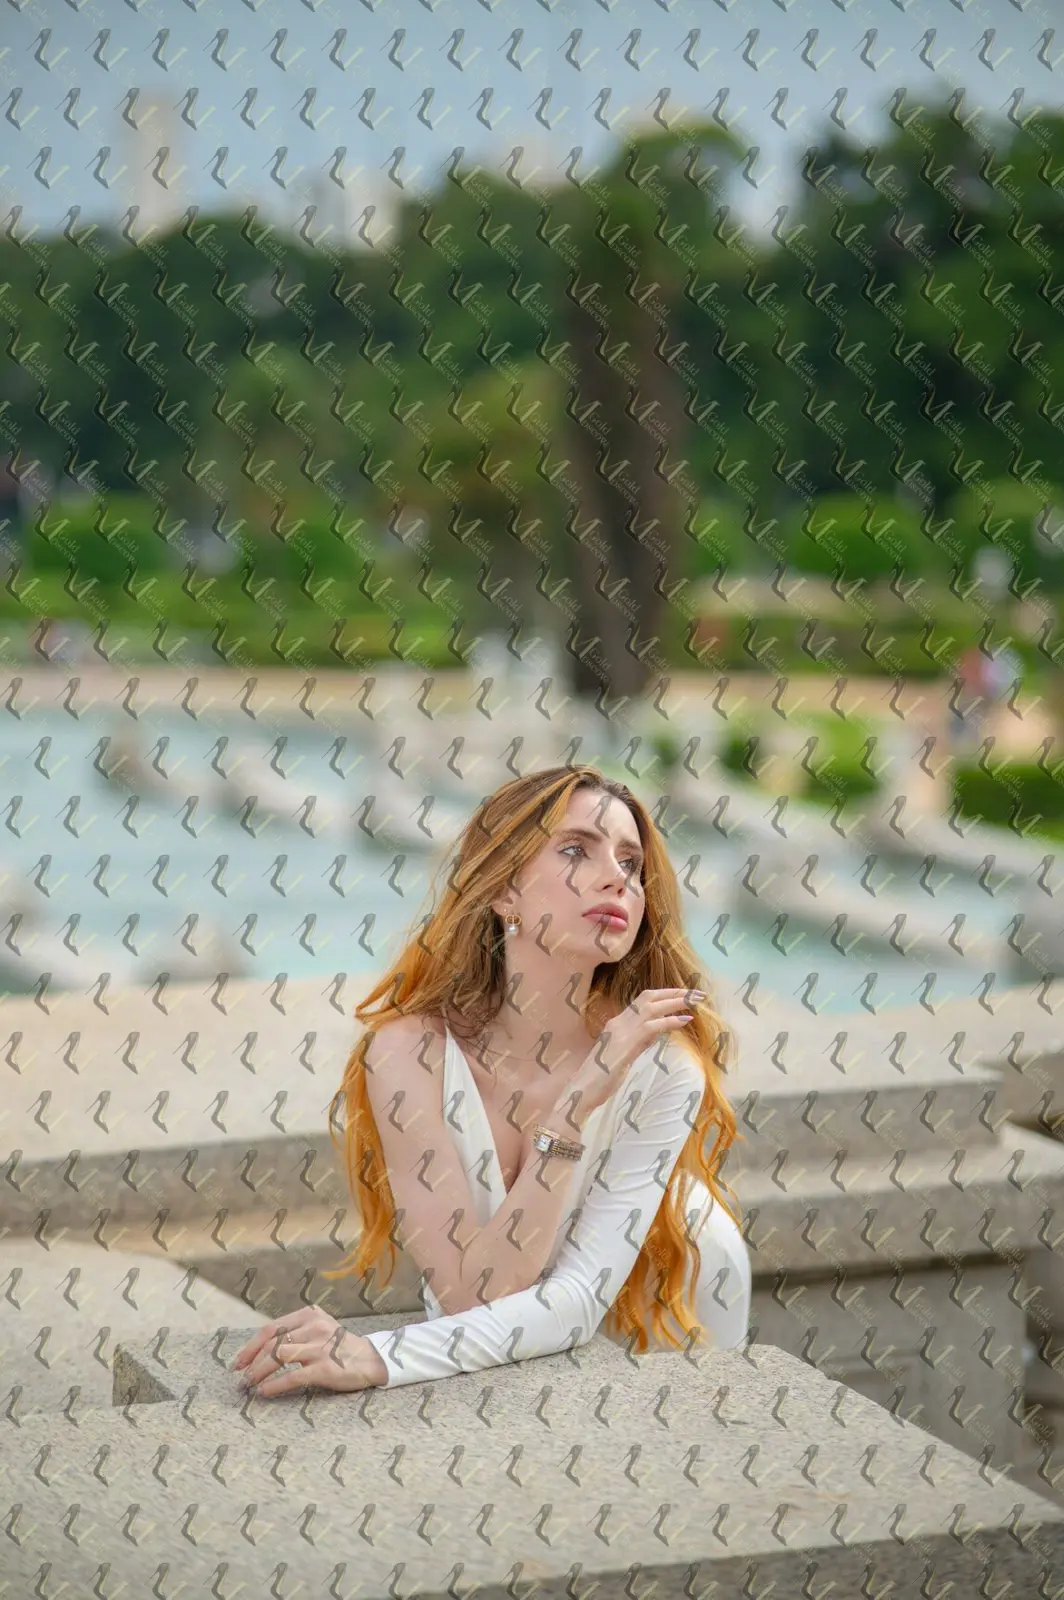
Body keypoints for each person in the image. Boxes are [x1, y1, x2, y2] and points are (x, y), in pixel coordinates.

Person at [232, 765, 752, 1397]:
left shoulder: (662, 1066)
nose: (617, 877)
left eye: (631, 863)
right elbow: (470, 1298)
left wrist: (380, 1355)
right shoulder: (407, 1054)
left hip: (673, 1315)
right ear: (505, 890)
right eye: (575, 850)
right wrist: (572, 1109)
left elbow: (576, 1303)